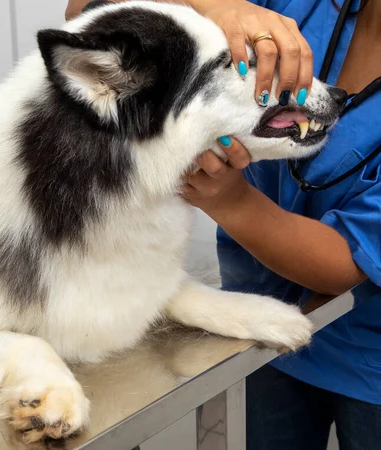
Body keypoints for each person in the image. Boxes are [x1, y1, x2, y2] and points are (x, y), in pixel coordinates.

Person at [66, 1, 381, 449]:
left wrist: (232, 202)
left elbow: (345, 264)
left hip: (371, 361)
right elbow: (84, 11)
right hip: (259, 326)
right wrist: (216, 6)